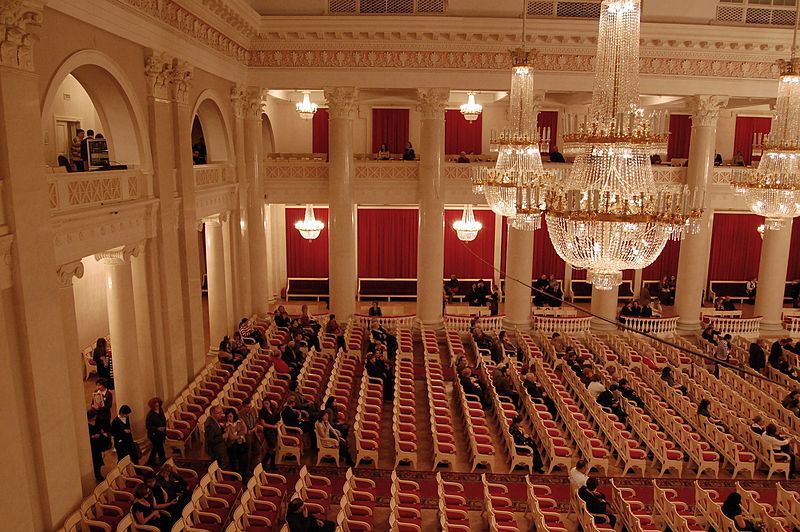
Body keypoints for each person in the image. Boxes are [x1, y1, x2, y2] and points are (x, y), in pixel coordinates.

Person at [223, 408, 248, 479]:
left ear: (234, 416)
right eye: (227, 417)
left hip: (241, 444)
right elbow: (230, 437)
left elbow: (244, 431)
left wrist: (236, 435)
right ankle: (234, 478)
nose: (229, 418)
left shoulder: (240, 421)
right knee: (233, 463)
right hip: (231, 446)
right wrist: (240, 436)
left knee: (243, 462)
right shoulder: (226, 425)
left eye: (230, 416)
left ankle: (243, 476)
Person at [87, 410, 109, 482]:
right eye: (94, 416)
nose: (95, 417)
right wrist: (93, 436)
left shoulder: (97, 420)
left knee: (98, 459)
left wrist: (101, 432)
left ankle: (98, 473)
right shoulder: (86, 424)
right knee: (94, 460)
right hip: (92, 444)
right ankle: (96, 474)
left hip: (98, 442)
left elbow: (100, 428)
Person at [145, 397, 167, 467]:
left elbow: (163, 419)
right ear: (152, 406)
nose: (157, 407)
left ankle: (150, 461)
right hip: (154, 435)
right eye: (155, 406)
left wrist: (164, 427)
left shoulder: (160, 409)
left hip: (161, 433)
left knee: (155, 448)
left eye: (158, 405)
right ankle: (163, 462)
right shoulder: (150, 415)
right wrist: (157, 428)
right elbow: (148, 427)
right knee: (160, 448)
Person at [258, 399, 280, 469]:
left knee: (274, 447)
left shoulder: (272, 409)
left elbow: (277, 417)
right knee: (272, 447)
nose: (266, 405)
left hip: (274, 430)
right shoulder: (262, 412)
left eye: (267, 403)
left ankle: (272, 464)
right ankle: (264, 462)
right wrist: (273, 426)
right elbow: (263, 424)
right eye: (264, 404)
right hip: (267, 431)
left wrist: (276, 423)